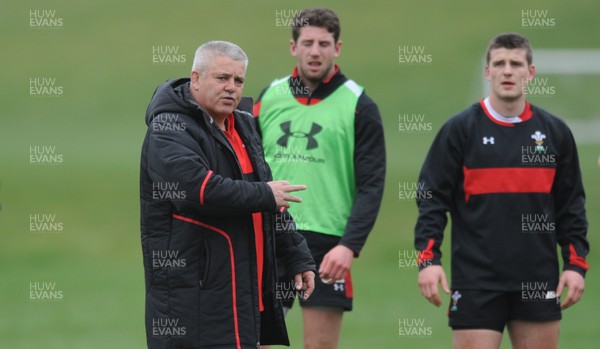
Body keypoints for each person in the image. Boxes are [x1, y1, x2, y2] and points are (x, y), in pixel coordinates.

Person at [415, 33, 589, 349]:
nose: (507, 71)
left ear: (530, 72)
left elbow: (571, 206)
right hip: (476, 281)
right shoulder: (460, 130)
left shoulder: (555, 133)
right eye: (499, 64)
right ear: (488, 72)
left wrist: (576, 266)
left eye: (515, 64)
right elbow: (431, 198)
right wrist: (428, 260)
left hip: (537, 280)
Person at [140, 40, 316, 349]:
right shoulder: (168, 128)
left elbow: (270, 201)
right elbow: (197, 189)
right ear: (196, 78)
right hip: (195, 302)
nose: (231, 88)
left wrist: (296, 254)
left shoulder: (244, 125)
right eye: (222, 78)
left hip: (244, 295)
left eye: (238, 80)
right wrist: (264, 194)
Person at [254, 8, 386, 349]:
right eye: (308, 42)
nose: (316, 51)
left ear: (337, 48)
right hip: (271, 232)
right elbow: (245, 168)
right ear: (293, 47)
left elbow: (372, 184)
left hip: (327, 244)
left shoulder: (359, 104)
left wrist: (349, 246)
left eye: (324, 43)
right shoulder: (268, 98)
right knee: (255, 341)